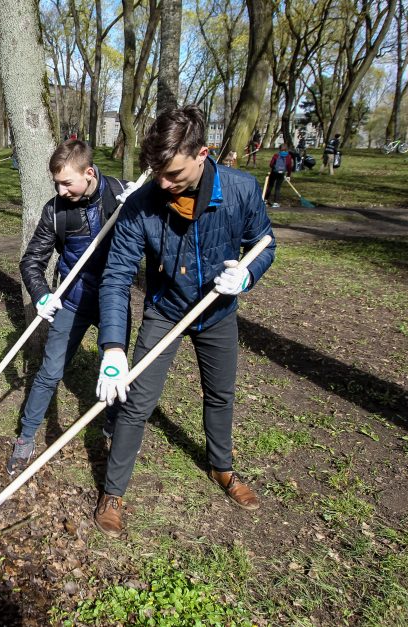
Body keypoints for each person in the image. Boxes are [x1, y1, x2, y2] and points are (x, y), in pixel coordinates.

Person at [92, 105, 276, 536]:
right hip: (165, 309)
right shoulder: (142, 205)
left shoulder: (240, 190)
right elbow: (118, 275)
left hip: (218, 312)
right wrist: (113, 347)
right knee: (136, 403)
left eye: (173, 173)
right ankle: (113, 491)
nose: (164, 182)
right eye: (157, 171)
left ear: (202, 154)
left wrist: (247, 274)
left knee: (220, 393)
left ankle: (222, 468)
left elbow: (265, 241)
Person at [6, 139, 137, 475]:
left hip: (115, 302)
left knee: (117, 374)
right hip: (73, 301)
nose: (61, 190)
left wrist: (142, 209)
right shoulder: (55, 210)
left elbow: (158, 241)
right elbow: (32, 260)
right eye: (57, 184)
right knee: (50, 371)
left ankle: (111, 425)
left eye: (67, 182)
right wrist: (41, 294)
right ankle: (26, 435)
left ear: (89, 173)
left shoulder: (125, 195)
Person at [265, 144, 293, 208]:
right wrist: (288, 175)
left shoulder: (276, 155)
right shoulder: (288, 157)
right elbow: (289, 167)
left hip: (274, 173)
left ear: (279, 149)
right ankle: (275, 202)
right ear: (286, 149)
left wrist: (274, 167)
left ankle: (265, 200)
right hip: (281, 174)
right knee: (278, 188)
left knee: (270, 186)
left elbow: (271, 164)